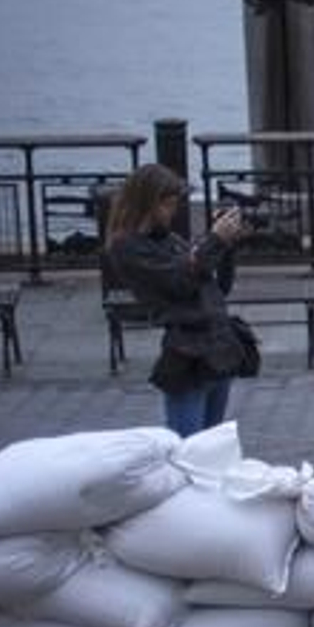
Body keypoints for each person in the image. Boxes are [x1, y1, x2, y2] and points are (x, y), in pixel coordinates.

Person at [105, 163, 253, 437]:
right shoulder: (127, 246)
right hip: (187, 354)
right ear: (148, 203)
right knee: (189, 450)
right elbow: (179, 283)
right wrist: (214, 241)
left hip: (217, 349)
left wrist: (226, 245)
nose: (172, 212)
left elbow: (217, 285)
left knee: (211, 446)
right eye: (168, 204)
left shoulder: (168, 239)